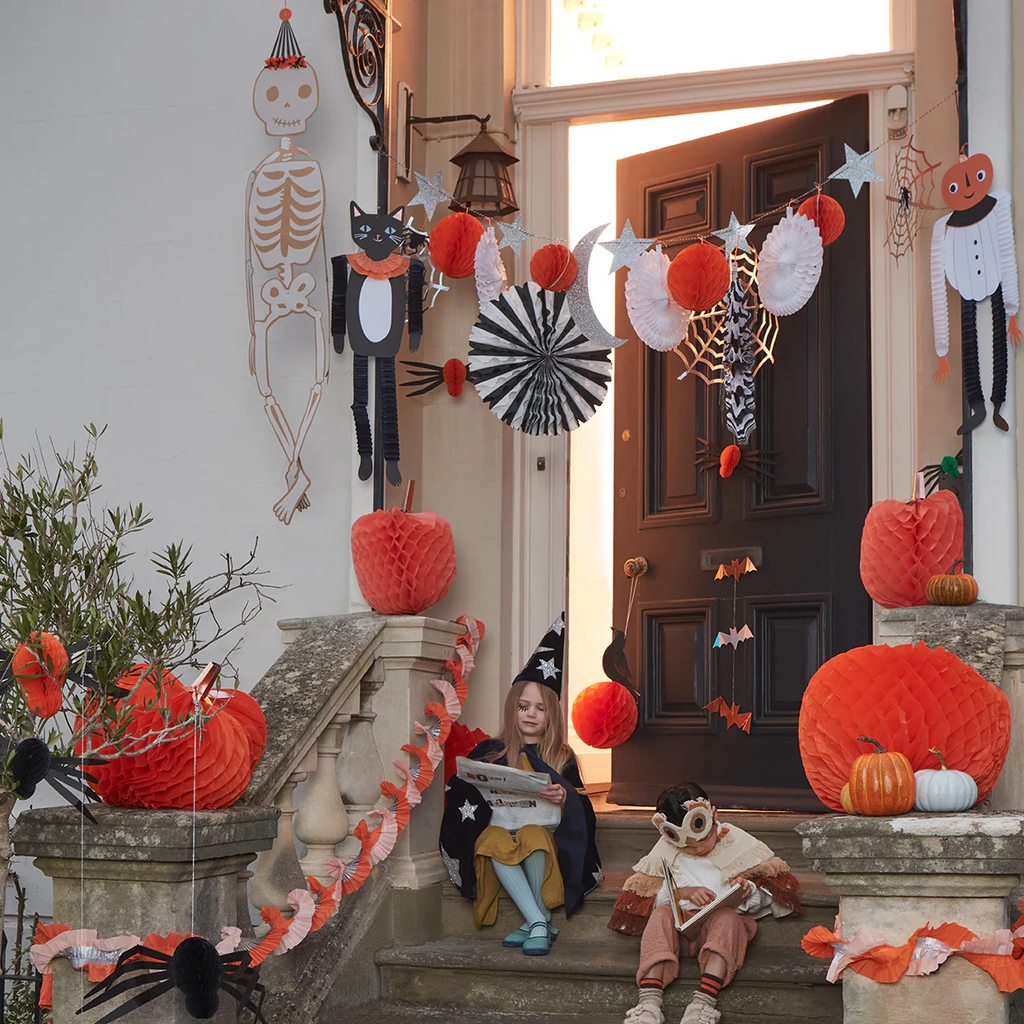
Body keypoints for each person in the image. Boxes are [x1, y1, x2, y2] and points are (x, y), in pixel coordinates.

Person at [440, 614, 601, 956]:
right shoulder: (491, 750)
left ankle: (535, 921)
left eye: (540, 708)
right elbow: (463, 792)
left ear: (552, 714)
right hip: (500, 829)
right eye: (524, 707)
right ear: (512, 709)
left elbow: (584, 813)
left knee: (532, 835)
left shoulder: (562, 756)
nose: (530, 714)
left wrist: (564, 797)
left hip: (546, 840)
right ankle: (540, 920)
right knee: (490, 840)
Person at [609, 784, 802, 1024]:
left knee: (727, 918)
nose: (699, 849)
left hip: (721, 934)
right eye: (689, 846)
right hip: (679, 933)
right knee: (660, 915)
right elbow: (648, 901)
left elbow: (768, 897)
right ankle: (648, 1003)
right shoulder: (666, 852)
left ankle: (702, 1004)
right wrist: (681, 893)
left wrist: (747, 890)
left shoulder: (737, 842)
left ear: (714, 815)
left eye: (704, 839)